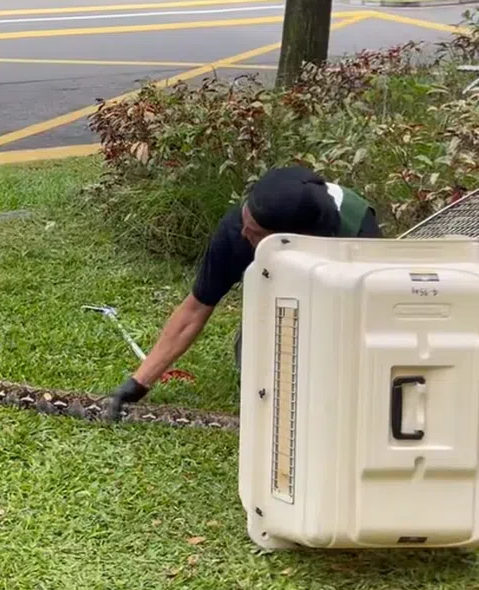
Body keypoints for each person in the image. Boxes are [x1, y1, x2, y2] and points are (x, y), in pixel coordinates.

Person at [101, 165, 383, 421]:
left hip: (338, 304)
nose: (244, 232)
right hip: (283, 298)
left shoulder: (358, 234)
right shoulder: (237, 229)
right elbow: (195, 309)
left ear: (288, 241)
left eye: (255, 231)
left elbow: (371, 323)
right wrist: (137, 384)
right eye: (246, 217)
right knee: (254, 355)